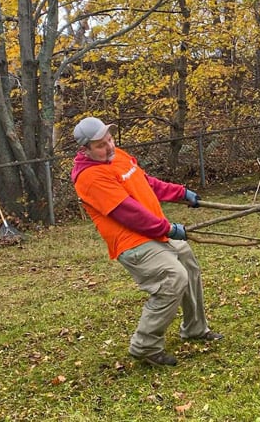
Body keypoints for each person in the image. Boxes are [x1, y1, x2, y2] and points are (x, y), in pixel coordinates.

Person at [70, 116, 222, 367]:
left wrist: (180, 193)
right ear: (85, 149)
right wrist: (168, 228)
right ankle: (145, 345)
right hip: (133, 243)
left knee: (188, 262)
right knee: (174, 277)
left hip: (154, 233)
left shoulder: (117, 156)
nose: (109, 146)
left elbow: (146, 183)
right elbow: (128, 213)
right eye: (100, 145)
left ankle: (195, 328)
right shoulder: (90, 178)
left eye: (109, 139)